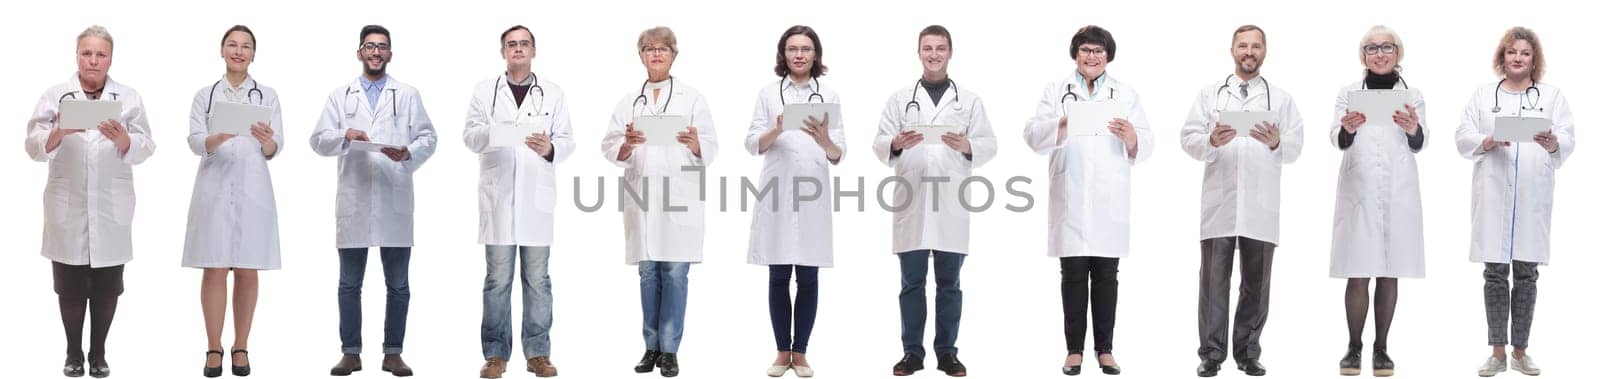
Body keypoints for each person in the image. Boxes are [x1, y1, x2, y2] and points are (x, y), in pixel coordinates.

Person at [25, 25, 156, 379]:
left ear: (110, 58)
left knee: (106, 285)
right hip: (67, 204)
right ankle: (72, 351)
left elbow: (147, 145)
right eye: (86, 53)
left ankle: (98, 353)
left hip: (110, 205)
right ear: (77, 56)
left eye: (100, 54)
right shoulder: (56, 95)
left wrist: (126, 140)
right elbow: (32, 145)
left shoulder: (127, 98)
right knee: (68, 284)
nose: (93, 60)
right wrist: (58, 132)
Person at [1021, 25, 1151, 377]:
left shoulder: (1125, 94)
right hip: (1071, 194)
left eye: (1098, 50)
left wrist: (1132, 137)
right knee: (1073, 276)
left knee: (1107, 276)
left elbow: (1147, 142)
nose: (1091, 56)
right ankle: (1074, 351)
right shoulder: (1055, 91)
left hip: (1109, 198)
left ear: (1108, 55)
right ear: (1075, 54)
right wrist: (1061, 124)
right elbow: (1032, 134)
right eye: (1085, 50)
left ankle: (1105, 350)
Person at [1176, 25, 1304, 377]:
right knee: (1213, 284)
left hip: (1261, 206)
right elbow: (1188, 138)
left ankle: (1248, 353)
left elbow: (1296, 146)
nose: (1250, 51)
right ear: (1232, 50)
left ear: (1265, 51)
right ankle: (1212, 354)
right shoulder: (1210, 95)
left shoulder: (1280, 99)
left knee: (1256, 284)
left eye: (1256, 46)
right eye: (1243, 45)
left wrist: (1278, 141)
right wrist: (1212, 141)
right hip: (1220, 204)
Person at [310, 24, 438, 377]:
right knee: (349, 284)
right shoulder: (341, 96)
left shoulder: (407, 94)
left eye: (382, 47)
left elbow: (429, 137)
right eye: (370, 46)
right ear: (359, 53)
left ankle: (393, 353)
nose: (376, 52)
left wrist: (408, 152)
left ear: (390, 54)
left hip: (394, 196)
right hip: (355, 201)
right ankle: (350, 353)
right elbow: (318, 140)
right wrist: (345, 135)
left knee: (398, 285)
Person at [874, 25, 997, 378]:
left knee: (950, 285)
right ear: (918, 53)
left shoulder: (970, 100)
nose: (933, 54)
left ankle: (947, 353)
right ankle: (912, 353)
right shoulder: (899, 99)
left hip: (950, 202)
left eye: (940, 48)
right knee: (911, 284)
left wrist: (968, 146)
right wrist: (896, 142)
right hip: (911, 200)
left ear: (950, 52)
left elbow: (989, 142)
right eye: (927, 48)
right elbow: (880, 142)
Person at [600, 26, 719, 378]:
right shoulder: (628, 101)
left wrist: (696, 143)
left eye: (663, 49)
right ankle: (650, 347)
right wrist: (626, 144)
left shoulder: (693, 98)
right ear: (640, 56)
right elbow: (609, 146)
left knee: (676, 275)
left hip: (680, 197)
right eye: (649, 48)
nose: (656, 54)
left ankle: (669, 350)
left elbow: (710, 146)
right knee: (648, 274)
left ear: (673, 55)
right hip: (642, 198)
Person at [1456, 26, 1573, 378]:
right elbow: (1463, 135)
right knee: (1494, 274)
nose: (1518, 58)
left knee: (1526, 274)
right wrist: (1488, 141)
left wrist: (1553, 141)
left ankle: (1521, 351)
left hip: (1532, 197)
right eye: (1511, 52)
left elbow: (1567, 139)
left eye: (1524, 53)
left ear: (1534, 58)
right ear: (1502, 57)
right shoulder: (1482, 96)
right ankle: (1496, 353)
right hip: (1493, 195)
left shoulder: (1551, 97)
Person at [463, 24, 574, 379]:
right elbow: (469, 136)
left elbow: (568, 140)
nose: (518, 49)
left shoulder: (553, 94)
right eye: (511, 44)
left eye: (524, 43)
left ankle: (538, 353)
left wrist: (552, 149)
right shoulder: (485, 92)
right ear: (503, 52)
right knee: (497, 280)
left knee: (538, 280)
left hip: (536, 202)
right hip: (498, 201)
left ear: (533, 50)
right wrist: (497, 133)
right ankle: (495, 355)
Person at [181, 24, 284, 378]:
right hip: (214, 187)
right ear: (222, 50)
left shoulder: (266, 95)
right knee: (214, 266)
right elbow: (194, 141)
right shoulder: (205, 95)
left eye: (246, 46)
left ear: (253, 54)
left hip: (253, 189)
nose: (238, 51)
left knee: (246, 267)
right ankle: (213, 347)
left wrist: (267, 138)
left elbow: (274, 148)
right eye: (232, 45)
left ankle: (241, 345)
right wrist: (217, 136)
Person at [744, 25, 844, 379]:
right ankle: (780, 350)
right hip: (777, 190)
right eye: (792, 49)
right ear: (783, 54)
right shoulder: (769, 94)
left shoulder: (828, 95)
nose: (799, 55)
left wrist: (825, 138)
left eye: (805, 49)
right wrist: (778, 128)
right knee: (778, 272)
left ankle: (800, 352)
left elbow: (837, 153)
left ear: (816, 55)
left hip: (812, 192)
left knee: (809, 274)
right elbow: (752, 142)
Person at [1328, 25, 1428, 378]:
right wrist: (1348, 129)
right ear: (1363, 56)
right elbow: (1336, 138)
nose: (1380, 53)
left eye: (1386, 47)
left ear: (1397, 53)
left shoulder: (1412, 94)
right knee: (1358, 271)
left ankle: (1381, 348)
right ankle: (1354, 346)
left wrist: (1413, 127)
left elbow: (1420, 142)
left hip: (1398, 191)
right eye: (1372, 48)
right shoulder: (1349, 93)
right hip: (1360, 190)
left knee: (1389, 272)